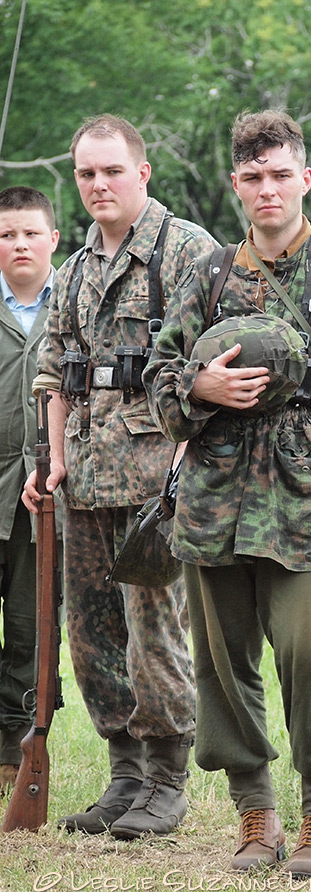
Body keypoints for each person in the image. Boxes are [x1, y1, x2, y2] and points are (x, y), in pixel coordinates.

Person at [143, 110, 311, 878]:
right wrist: (199, 383)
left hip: (307, 492)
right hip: (213, 491)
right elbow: (159, 381)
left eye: (280, 174)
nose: (268, 189)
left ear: (305, 178)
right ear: (236, 184)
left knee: (310, 652)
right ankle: (254, 814)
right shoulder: (208, 271)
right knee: (222, 661)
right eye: (253, 177)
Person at [22, 114, 217, 839]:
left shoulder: (187, 251)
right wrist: (54, 460)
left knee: (154, 633)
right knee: (91, 634)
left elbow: (209, 365)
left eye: (111, 170)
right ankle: (124, 774)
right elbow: (54, 372)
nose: (98, 184)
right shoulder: (72, 270)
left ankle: (166, 779)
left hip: (155, 479)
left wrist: (183, 461)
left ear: (142, 172)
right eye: (85, 173)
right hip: (85, 477)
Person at [0, 186, 60, 793]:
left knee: (30, 627)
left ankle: (15, 755)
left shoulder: (72, 302)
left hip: (41, 499)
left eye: (29, 233)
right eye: (6, 234)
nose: (18, 244)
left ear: (52, 241)